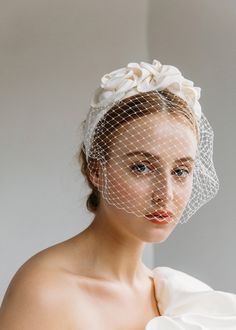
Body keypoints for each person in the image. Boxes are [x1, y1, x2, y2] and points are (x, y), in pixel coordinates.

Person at [0, 60, 235, 329]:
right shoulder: (46, 291)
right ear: (97, 171)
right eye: (142, 167)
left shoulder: (177, 297)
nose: (165, 194)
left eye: (181, 171)